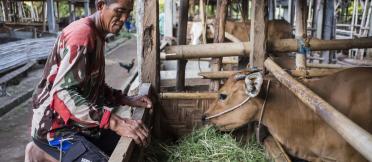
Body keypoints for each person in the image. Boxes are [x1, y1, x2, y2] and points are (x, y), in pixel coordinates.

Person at [25, 0, 152, 161]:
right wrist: (116, 123)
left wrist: (125, 99)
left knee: (131, 144)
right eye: (119, 11)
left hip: (81, 121)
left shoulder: (98, 35)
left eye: (128, 12)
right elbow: (62, 95)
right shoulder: (82, 35)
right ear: (100, 6)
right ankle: (42, 152)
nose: (124, 18)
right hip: (55, 127)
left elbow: (95, 88)